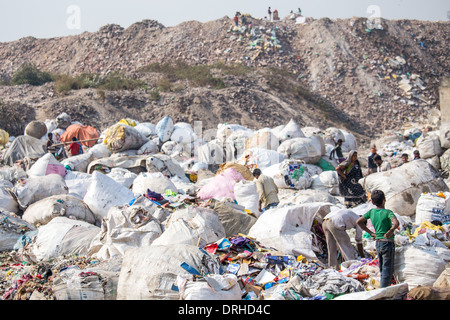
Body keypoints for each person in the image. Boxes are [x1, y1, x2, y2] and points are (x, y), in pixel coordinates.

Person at [357, 190, 399, 288]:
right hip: (387, 244)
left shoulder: (371, 212)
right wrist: (391, 230)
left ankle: (381, 288)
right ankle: (383, 293)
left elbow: (359, 221)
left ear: (372, 202)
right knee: (387, 270)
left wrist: (371, 233)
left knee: (381, 268)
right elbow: (396, 223)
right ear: (384, 200)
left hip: (378, 244)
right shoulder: (388, 212)